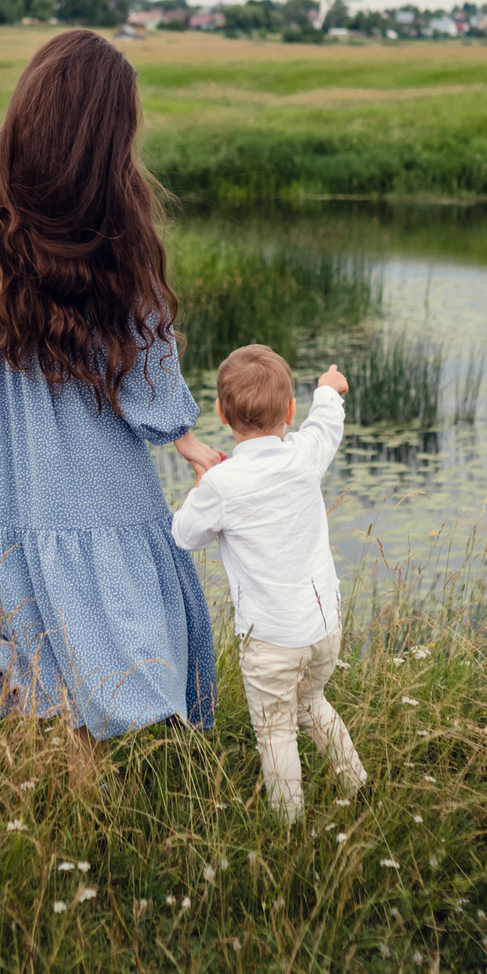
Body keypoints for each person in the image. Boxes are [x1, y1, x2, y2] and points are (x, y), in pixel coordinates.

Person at [0, 30, 229, 773]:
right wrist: (182, 435)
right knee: (95, 651)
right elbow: (146, 352)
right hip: (91, 470)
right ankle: (86, 802)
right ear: (106, 129)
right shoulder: (116, 206)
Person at [168, 343, 366, 821]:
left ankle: (288, 823)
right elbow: (326, 423)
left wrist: (201, 478)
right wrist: (328, 388)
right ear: (289, 411)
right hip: (321, 629)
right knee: (313, 702)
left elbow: (183, 534)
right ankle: (357, 786)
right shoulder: (304, 455)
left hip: (271, 641)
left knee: (275, 731)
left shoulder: (222, 483)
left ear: (220, 412)